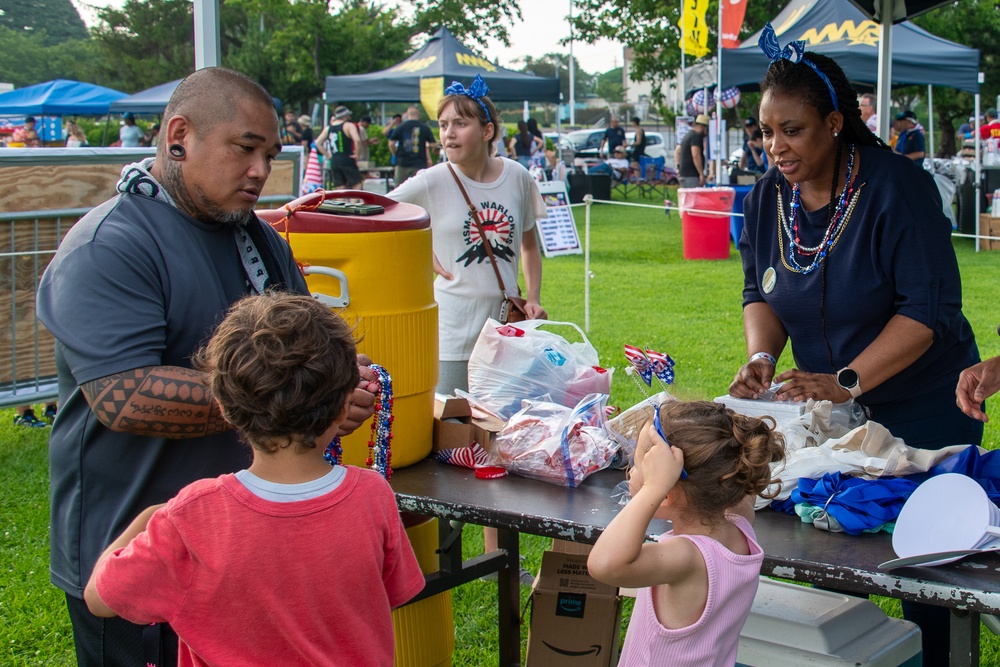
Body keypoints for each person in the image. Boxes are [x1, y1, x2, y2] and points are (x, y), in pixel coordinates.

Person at [36, 67, 378, 667]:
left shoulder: (261, 240)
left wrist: (338, 382)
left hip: (246, 547)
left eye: (270, 154)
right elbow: (123, 395)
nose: (259, 171)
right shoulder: (111, 244)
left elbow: (301, 353)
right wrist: (299, 402)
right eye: (244, 148)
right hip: (132, 544)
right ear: (179, 136)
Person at [728, 25, 981, 666]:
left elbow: (926, 313)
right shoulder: (765, 201)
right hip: (831, 419)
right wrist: (763, 358)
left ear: (835, 122)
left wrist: (846, 379)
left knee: (932, 569)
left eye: (793, 130)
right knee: (826, 551)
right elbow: (760, 293)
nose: (774, 147)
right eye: (765, 132)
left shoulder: (898, 189)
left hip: (923, 406)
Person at [84, 292, 424, 666]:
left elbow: (99, 599)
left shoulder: (190, 518)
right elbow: (393, 591)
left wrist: (148, 517)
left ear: (224, 408)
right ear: (345, 403)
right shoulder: (372, 495)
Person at [387, 75, 546, 584]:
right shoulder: (432, 181)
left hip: (504, 333)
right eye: (443, 124)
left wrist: (535, 296)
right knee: (452, 443)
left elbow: (528, 244)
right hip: (452, 332)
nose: (448, 133)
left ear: (488, 128)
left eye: (460, 122)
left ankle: (500, 551)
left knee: (499, 438)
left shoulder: (517, 176)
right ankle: (442, 552)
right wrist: (427, 259)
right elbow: (386, 215)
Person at [587, 401, 785, 667]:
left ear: (666, 495)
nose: (631, 473)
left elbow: (605, 565)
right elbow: (730, 481)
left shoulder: (688, 557)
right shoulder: (740, 526)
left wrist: (651, 490)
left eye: (636, 467)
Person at [316, 105, 363, 190]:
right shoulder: (348, 126)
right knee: (356, 185)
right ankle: (354, 203)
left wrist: (328, 155)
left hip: (334, 160)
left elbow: (318, 143)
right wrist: (357, 154)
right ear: (345, 116)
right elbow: (357, 140)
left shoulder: (328, 128)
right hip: (347, 159)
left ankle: (342, 203)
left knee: (340, 188)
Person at [392, 105, 436, 186]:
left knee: (399, 189)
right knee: (419, 189)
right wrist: (433, 154)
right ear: (418, 114)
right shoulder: (425, 128)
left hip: (402, 162)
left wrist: (395, 153)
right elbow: (433, 145)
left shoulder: (400, 127)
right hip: (419, 163)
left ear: (407, 114)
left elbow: (391, 143)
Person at [675, 114, 709, 188]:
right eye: (707, 130)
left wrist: (678, 167)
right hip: (692, 176)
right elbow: (696, 155)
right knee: (693, 198)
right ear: (701, 127)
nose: (707, 133)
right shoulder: (696, 137)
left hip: (684, 175)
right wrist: (701, 174)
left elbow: (677, 150)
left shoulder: (688, 135)